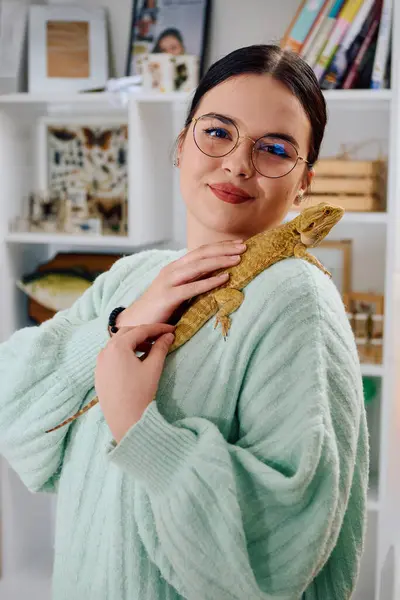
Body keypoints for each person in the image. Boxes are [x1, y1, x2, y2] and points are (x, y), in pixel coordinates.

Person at [0, 44, 368, 599]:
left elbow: (285, 543)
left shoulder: (296, 294)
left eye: (274, 149)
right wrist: (120, 325)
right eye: (218, 132)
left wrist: (138, 427)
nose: (239, 163)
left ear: (304, 184)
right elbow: (15, 412)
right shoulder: (136, 275)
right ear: (180, 144)